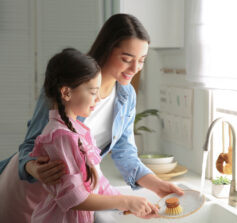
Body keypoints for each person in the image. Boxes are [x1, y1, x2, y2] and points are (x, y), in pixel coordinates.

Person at [0, 14, 182, 220]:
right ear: (107, 49)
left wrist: (155, 184)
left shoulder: (126, 94)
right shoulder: (68, 83)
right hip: (30, 189)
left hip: (73, 198)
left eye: (141, 61)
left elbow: (124, 152)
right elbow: (30, 144)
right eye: (126, 59)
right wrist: (34, 169)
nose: (134, 68)